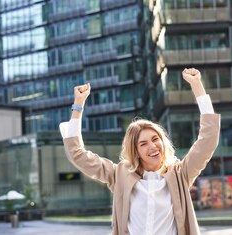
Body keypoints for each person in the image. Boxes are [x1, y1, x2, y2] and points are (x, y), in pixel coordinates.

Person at [59, 68, 220, 235]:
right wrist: (78, 106)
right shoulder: (119, 174)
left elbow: (207, 141)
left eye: (155, 139)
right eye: (143, 144)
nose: (152, 146)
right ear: (135, 151)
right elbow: (77, 155)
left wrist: (197, 85)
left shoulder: (180, 174)